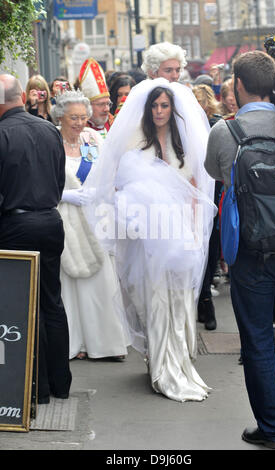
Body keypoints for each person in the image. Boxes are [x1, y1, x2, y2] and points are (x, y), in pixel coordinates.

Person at [83, 77, 216, 402]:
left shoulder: (183, 144)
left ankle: (177, 361)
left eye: (164, 105)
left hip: (179, 238)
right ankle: (160, 366)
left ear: (172, 109)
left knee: (179, 303)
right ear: (148, 109)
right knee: (154, 303)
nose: (159, 111)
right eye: (155, 105)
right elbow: (118, 186)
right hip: (148, 240)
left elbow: (197, 192)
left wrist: (196, 234)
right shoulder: (136, 144)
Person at [205, 50, 275, 449]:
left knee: (258, 340)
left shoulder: (225, 132)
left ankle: (273, 429)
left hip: (248, 253)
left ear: (238, 86)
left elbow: (215, 172)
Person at [0, 74, 72, 404]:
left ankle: (36, 387)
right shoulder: (48, 130)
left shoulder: (3, 133)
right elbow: (58, 182)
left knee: (22, 306)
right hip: (49, 220)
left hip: (16, 224)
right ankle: (60, 383)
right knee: (51, 301)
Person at [51, 90, 129, 361]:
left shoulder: (92, 139)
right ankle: (75, 343)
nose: (79, 123)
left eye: (83, 117)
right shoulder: (51, 141)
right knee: (69, 284)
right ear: (59, 117)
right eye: (73, 117)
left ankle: (105, 343)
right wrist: (63, 195)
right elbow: (40, 180)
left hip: (94, 218)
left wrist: (101, 190)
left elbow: (108, 172)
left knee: (101, 281)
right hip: (65, 218)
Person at [193, 84, 223, 329]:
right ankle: (201, 298)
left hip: (212, 195)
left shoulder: (216, 126)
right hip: (191, 199)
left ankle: (205, 299)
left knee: (211, 248)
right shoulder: (183, 131)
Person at [78, 58, 114, 139]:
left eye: (108, 103)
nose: (107, 109)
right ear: (87, 106)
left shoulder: (115, 124)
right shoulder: (78, 129)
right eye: (101, 104)